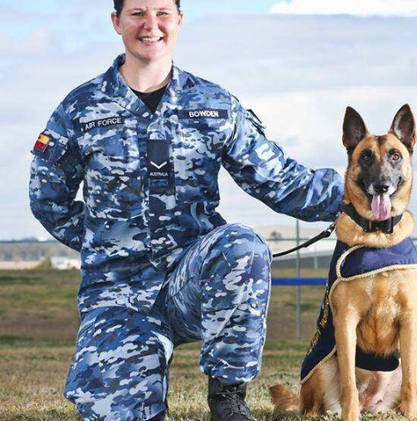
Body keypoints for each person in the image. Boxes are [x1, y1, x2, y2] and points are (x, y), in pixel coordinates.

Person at [28, 0, 343, 420]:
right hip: (118, 293)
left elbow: (280, 180)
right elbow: (47, 198)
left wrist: (359, 196)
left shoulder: (213, 106)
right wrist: (102, 241)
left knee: (242, 247)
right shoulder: (81, 110)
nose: (150, 25)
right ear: (116, 22)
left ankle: (227, 397)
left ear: (179, 20)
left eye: (162, 12)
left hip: (192, 281)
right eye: (137, 12)